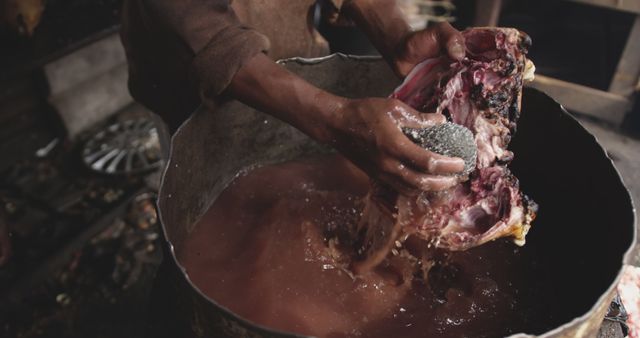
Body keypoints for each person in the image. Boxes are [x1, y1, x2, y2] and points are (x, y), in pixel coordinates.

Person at [120, 0, 467, 194]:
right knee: (210, 189)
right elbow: (196, 30)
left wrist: (397, 37)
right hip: (193, 87)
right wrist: (335, 119)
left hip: (294, 53)